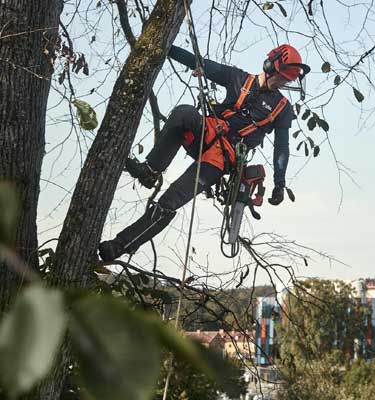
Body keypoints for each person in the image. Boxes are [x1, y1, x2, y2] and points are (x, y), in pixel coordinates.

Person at [98, 43, 310, 262]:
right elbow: (198, 62)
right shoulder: (238, 78)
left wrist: (279, 183)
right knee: (184, 113)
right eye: (282, 78)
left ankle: (121, 245)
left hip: (222, 158)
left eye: (288, 81)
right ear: (269, 67)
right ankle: (150, 170)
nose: (284, 83)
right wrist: (166, 47)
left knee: (170, 201)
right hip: (206, 132)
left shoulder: (282, 109)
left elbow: (281, 148)